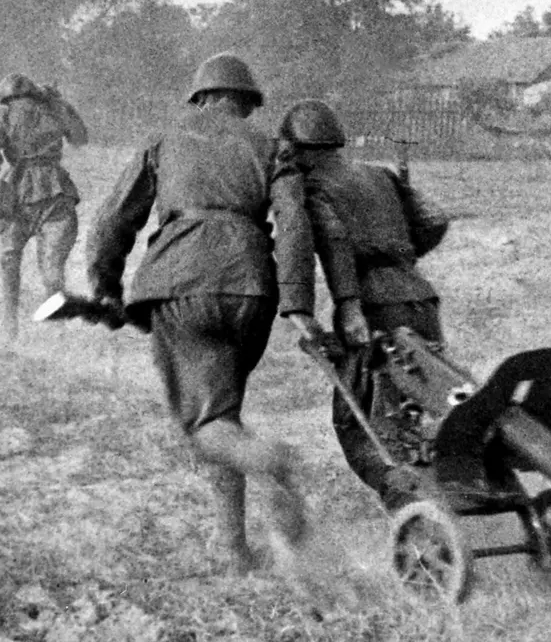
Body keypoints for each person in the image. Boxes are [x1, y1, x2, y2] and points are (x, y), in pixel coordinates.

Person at [85, 53, 367, 575]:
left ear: (201, 96)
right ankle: (234, 549)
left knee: (207, 424)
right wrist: (299, 306)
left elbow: (112, 221)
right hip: (251, 292)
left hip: (180, 284)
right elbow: (295, 224)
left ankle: (271, 461)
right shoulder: (272, 146)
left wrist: (104, 287)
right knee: (223, 414)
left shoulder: (165, 140)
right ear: (248, 101)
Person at [279, 99, 453, 512]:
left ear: (298, 149)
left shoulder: (313, 187)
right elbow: (434, 220)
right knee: (428, 404)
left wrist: (350, 304)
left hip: (375, 307)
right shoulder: (380, 175)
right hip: (421, 300)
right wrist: (403, 260)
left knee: (358, 422)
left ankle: (412, 508)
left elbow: (335, 242)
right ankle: (441, 497)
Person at [0, 74, 88, 338]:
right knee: (52, 267)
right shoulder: (53, 107)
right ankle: (59, 328)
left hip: (16, 190)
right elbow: (80, 138)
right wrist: (61, 103)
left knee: (9, 258)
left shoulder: (3, 112)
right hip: (56, 189)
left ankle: (10, 326)